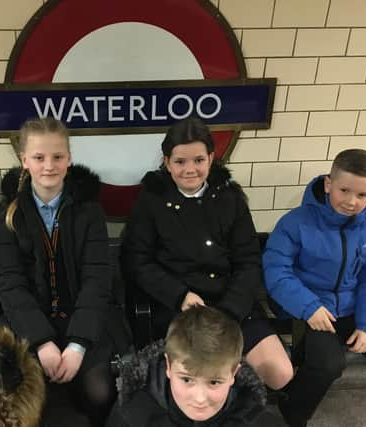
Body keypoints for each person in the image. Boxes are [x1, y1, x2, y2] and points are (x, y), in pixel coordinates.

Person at [121, 117, 292, 391]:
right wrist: (180, 296)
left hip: (229, 306)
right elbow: (137, 261)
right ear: (167, 162)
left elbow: (248, 260)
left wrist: (229, 310)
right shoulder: (150, 201)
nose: (190, 169)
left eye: (198, 160)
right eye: (180, 162)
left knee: (279, 372)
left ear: (212, 158)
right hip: (178, 307)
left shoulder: (230, 198)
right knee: (198, 376)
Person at [263, 149, 366, 427]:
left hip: (357, 310)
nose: (351, 201)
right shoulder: (295, 223)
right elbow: (276, 271)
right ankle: (287, 417)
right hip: (314, 309)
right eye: (344, 190)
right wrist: (309, 306)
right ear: (328, 184)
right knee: (328, 364)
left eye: (362, 195)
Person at [0, 117, 126, 426]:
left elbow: (97, 279)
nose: (48, 165)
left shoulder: (89, 210)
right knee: (12, 393)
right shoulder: (8, 212)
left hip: (83, 320)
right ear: (24, 160)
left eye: (57, 156)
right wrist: (40, 341)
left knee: (99, 393)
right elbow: (9, 283)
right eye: (38, 157)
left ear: (69, 158)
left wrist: (78, 345)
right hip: (26, 322)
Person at [106, 305, 281, 426]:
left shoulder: (256, 419)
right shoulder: (131, 413)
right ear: (168, 365)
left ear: (234, 373)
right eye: (187, 379)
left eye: (214, 382)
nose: (199, 399)